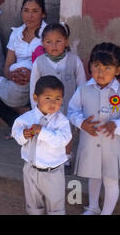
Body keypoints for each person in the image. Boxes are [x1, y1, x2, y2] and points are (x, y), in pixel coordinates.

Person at [68, 43, 120, 215]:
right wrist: (81, 122)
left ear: (118, 69)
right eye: (96, 66)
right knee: (93, 176)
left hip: (111, 147)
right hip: (90, 143)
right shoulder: (83, 90)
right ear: (90, 65)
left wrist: (116, 124)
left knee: (110, 180)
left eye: (107, 67)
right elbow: (72, 110)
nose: (101, 72)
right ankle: (92, 207)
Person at [0, 0, 47, 138]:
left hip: (38, 85)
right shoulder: (16, 34)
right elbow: (7, 66)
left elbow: (52, 66)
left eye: (35, 11)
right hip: (16, 84)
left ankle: (27, 117)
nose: (29, 15)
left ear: (43, 13)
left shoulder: (49, 34)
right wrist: (13, 76)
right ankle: (17, 121)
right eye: (26, 10)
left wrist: (31, 76)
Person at [29, 23, 86, 170]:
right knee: (47, 132)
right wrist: (35, 108)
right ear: (42, 44)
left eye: (58, 41)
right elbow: (33, 87)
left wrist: (81, 107)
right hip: (45, 108)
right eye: (49, 42)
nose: (54, 46)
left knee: (67, 133)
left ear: (66, 41)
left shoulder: (74, 60)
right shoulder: (39, 62)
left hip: (69, 107)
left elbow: (82, 86)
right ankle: (49, 158)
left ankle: (66, 158)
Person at [12, 76, 72, 215]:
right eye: (48, 98)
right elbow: (16, 133)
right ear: (35, 97)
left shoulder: (62, 121)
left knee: (55, 203)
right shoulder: (26, 118)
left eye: (58, 98)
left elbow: (62, 140)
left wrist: (42, 131)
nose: (53, 103)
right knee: (33, 202)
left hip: (53, 172)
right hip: (30, 169)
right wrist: (23, 135)